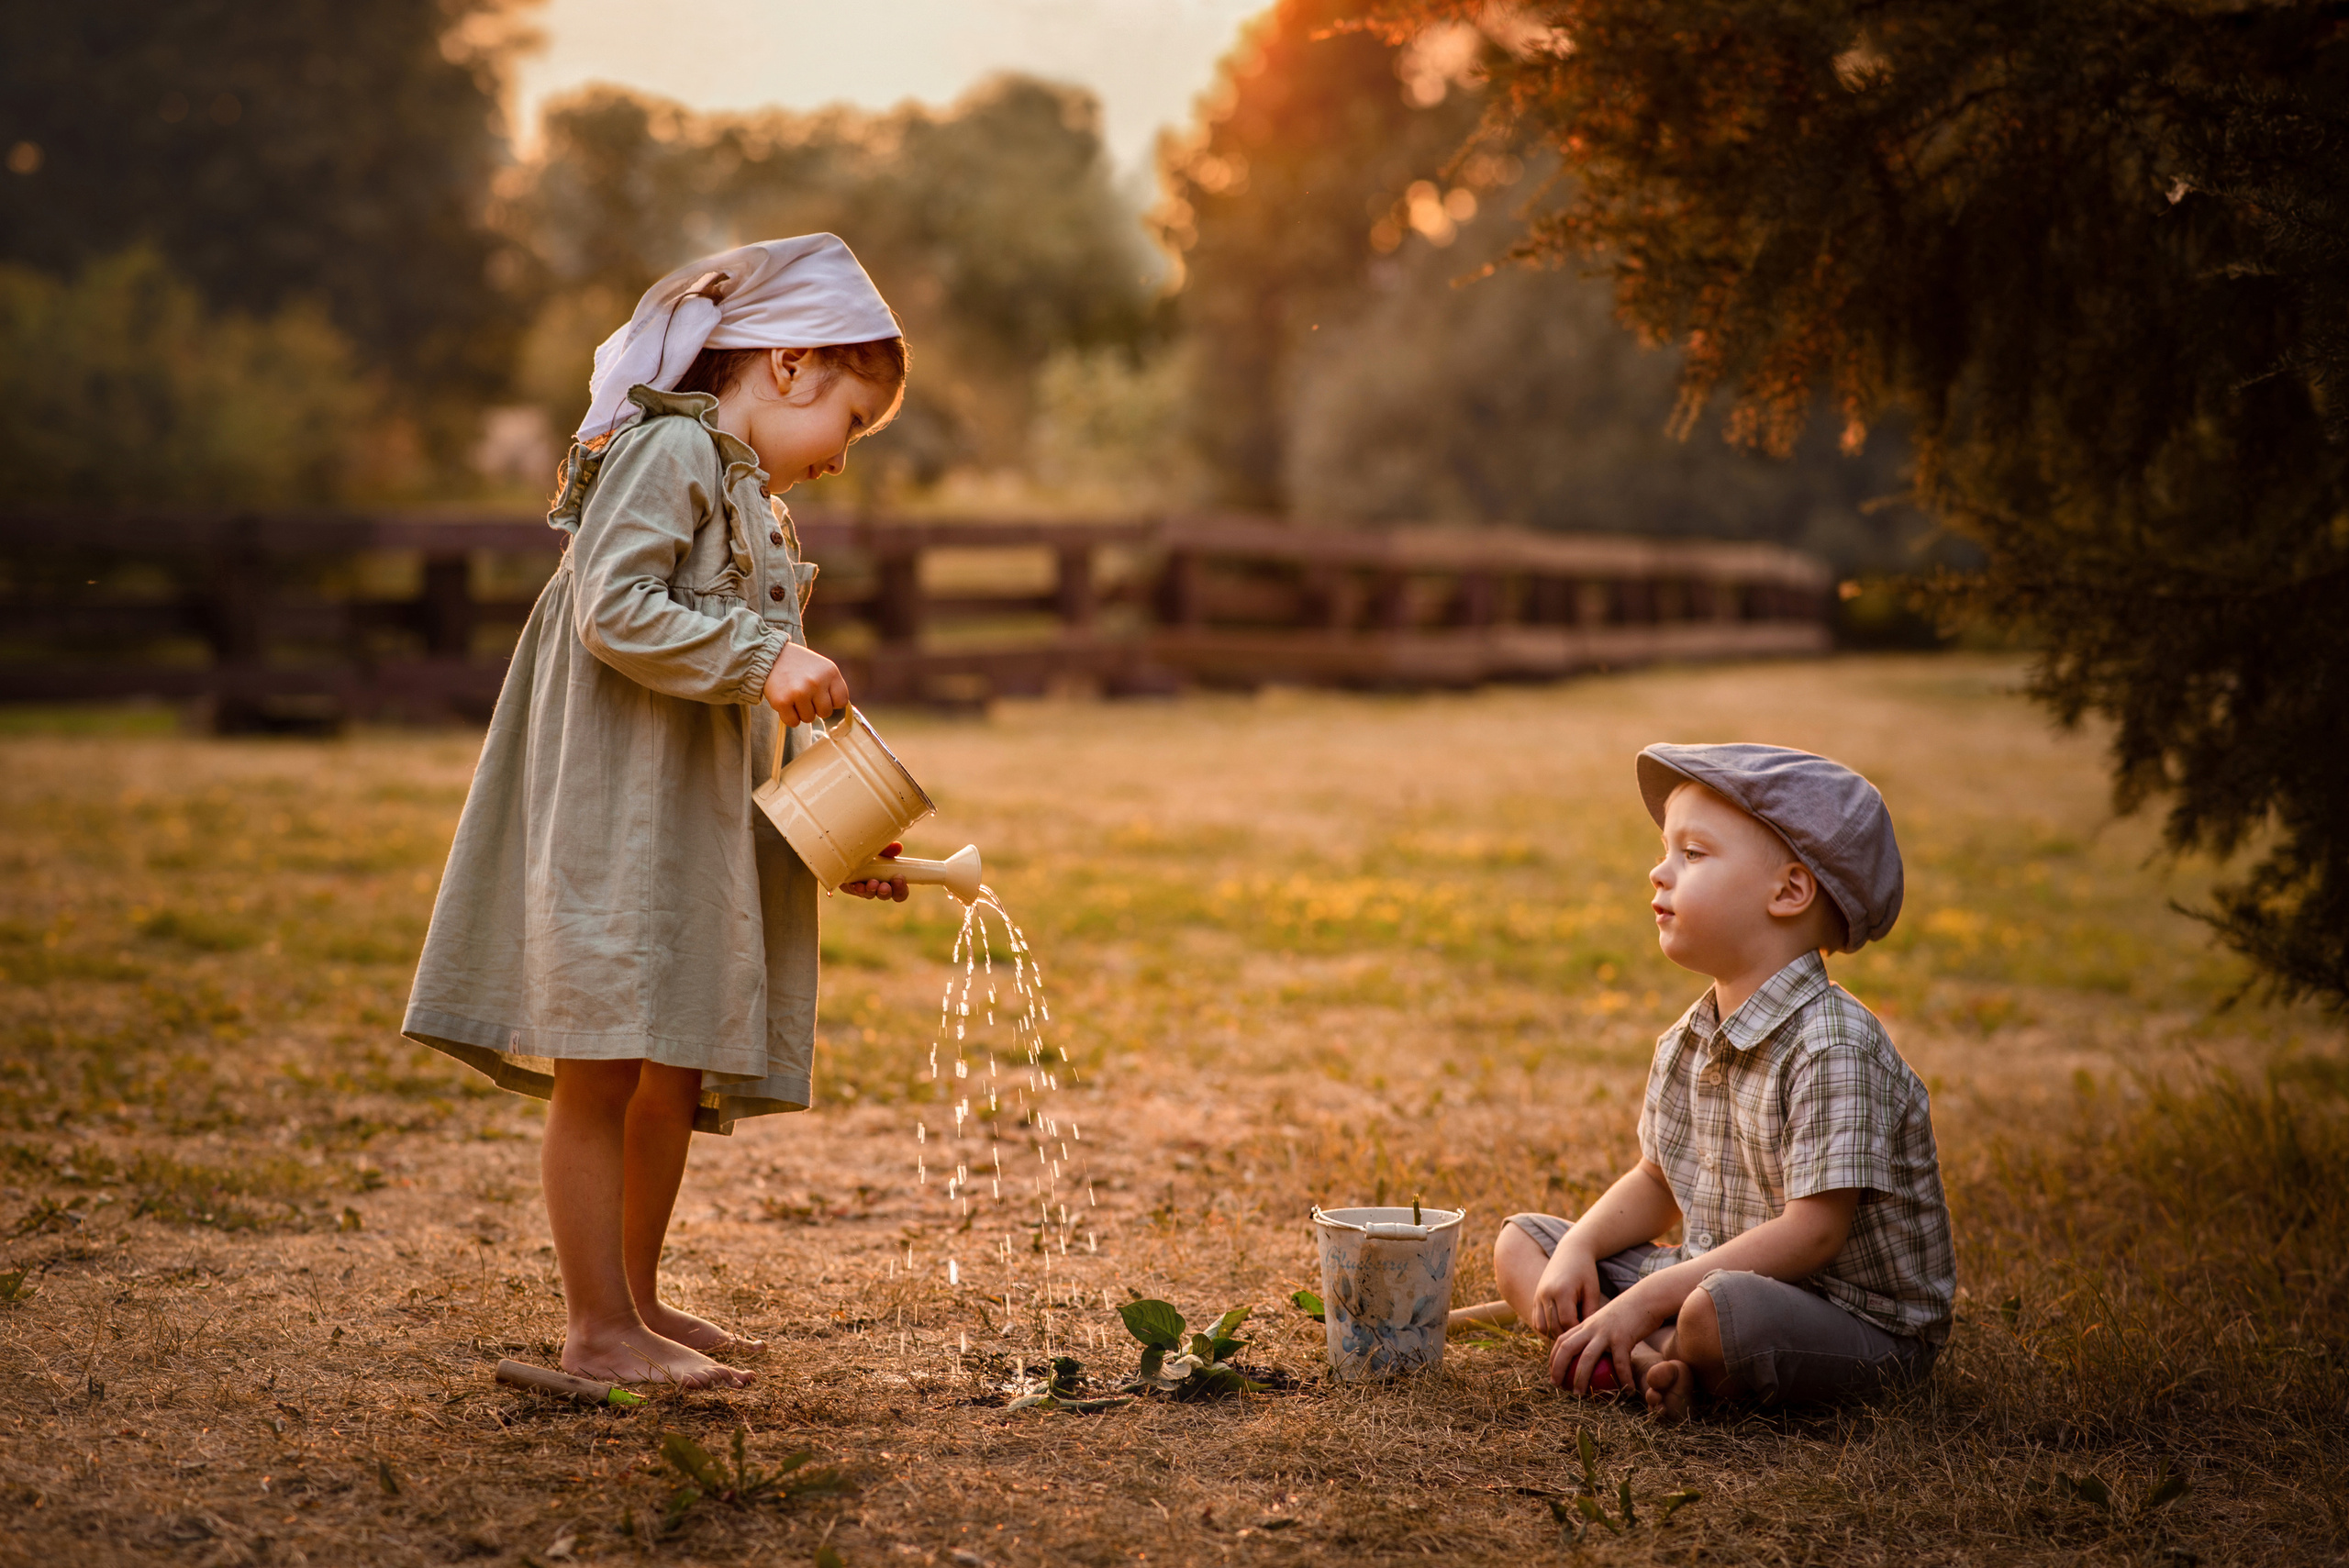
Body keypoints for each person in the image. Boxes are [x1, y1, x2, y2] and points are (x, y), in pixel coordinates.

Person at [402, 236, 916, 1388]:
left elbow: (740, 686)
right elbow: (614, 609)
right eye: (851, 421)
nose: (842, 459)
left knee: (669, 1059)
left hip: (690, 820)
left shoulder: (757, 503)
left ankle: (635, 1301)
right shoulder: (670, 447)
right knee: (607, 1058)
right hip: (618, 807)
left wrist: (827, 836)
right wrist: (763, 652)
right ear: (788, 364)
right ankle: (594, 1331)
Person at [1494, 744, 1954, 1419]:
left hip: (1850, 1322)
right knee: (1523, 1244)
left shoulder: (1835, 1043)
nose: (1659, 871)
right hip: (1708, 1276)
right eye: (1666, 850)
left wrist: (1646, 1298)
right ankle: (1652, 1361)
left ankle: (1643, 1341)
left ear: (1789, 891)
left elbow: (1814, 1235)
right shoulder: (1687, 1037)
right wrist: (1580, 1246)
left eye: (1693, 854)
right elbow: (1657, 1181)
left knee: (1720, 1310)